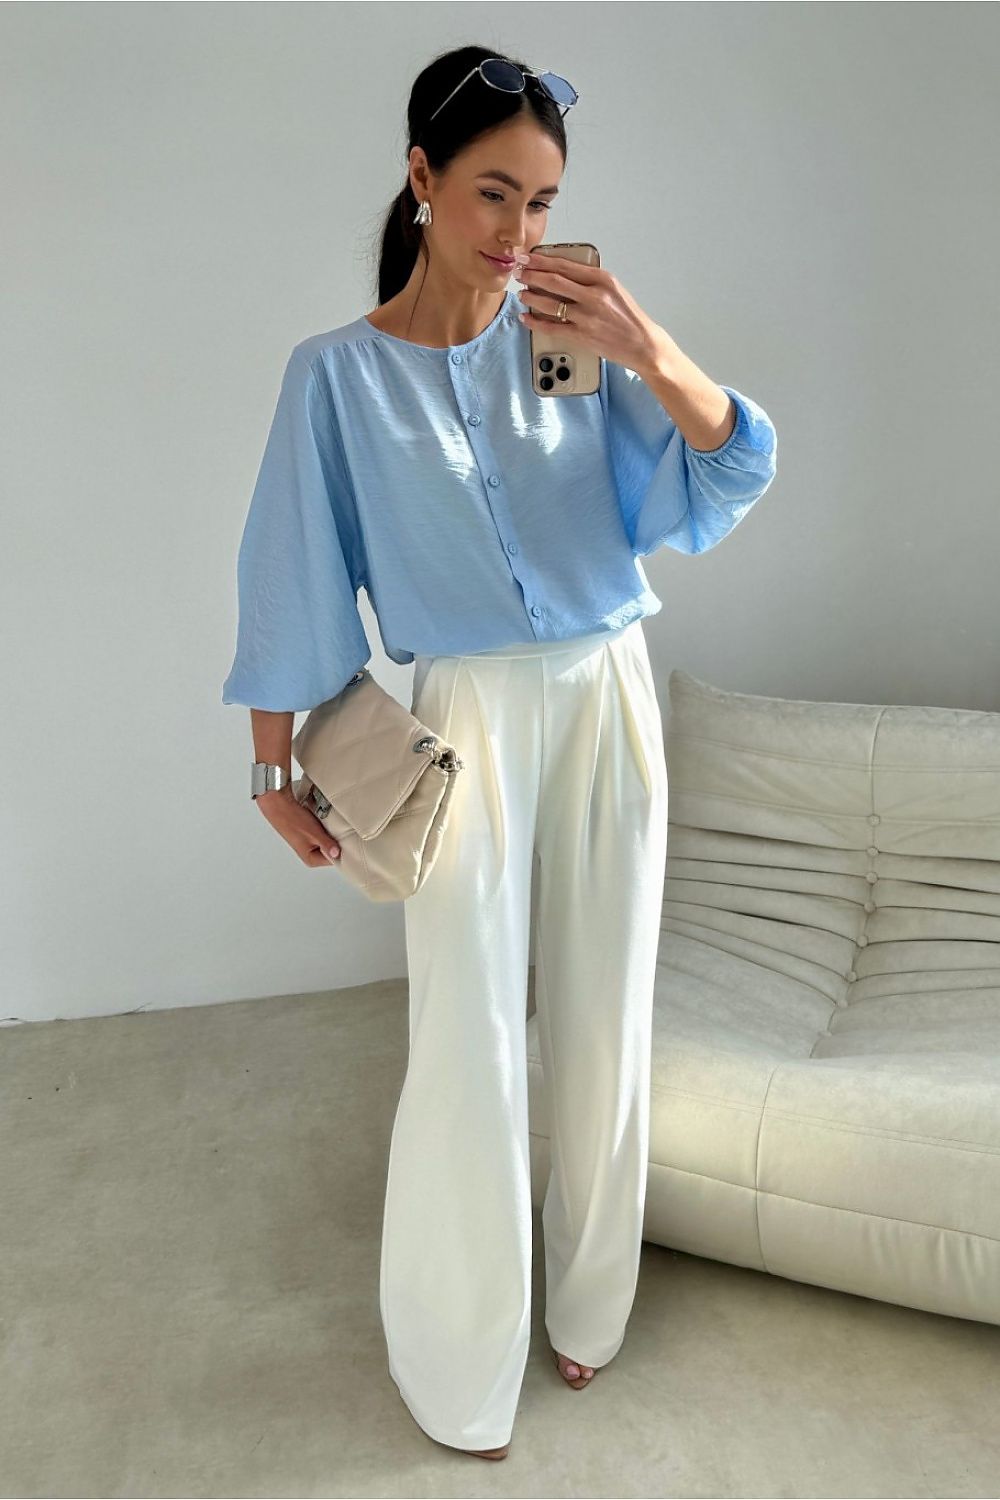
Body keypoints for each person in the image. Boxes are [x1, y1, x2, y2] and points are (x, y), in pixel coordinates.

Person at [221, 44, 778, 1461]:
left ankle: (589, 1307)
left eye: (541, 200)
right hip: (460, 716)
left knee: (605, 1013)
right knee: (465, 1034)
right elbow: (293, 578)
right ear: (419, 179)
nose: (520, 233)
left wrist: (647, 346)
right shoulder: (335, 380)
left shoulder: (578, 349)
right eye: (490, 193)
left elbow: (729, 470)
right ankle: (461, 1351)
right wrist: (274, 768)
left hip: (609, 691)